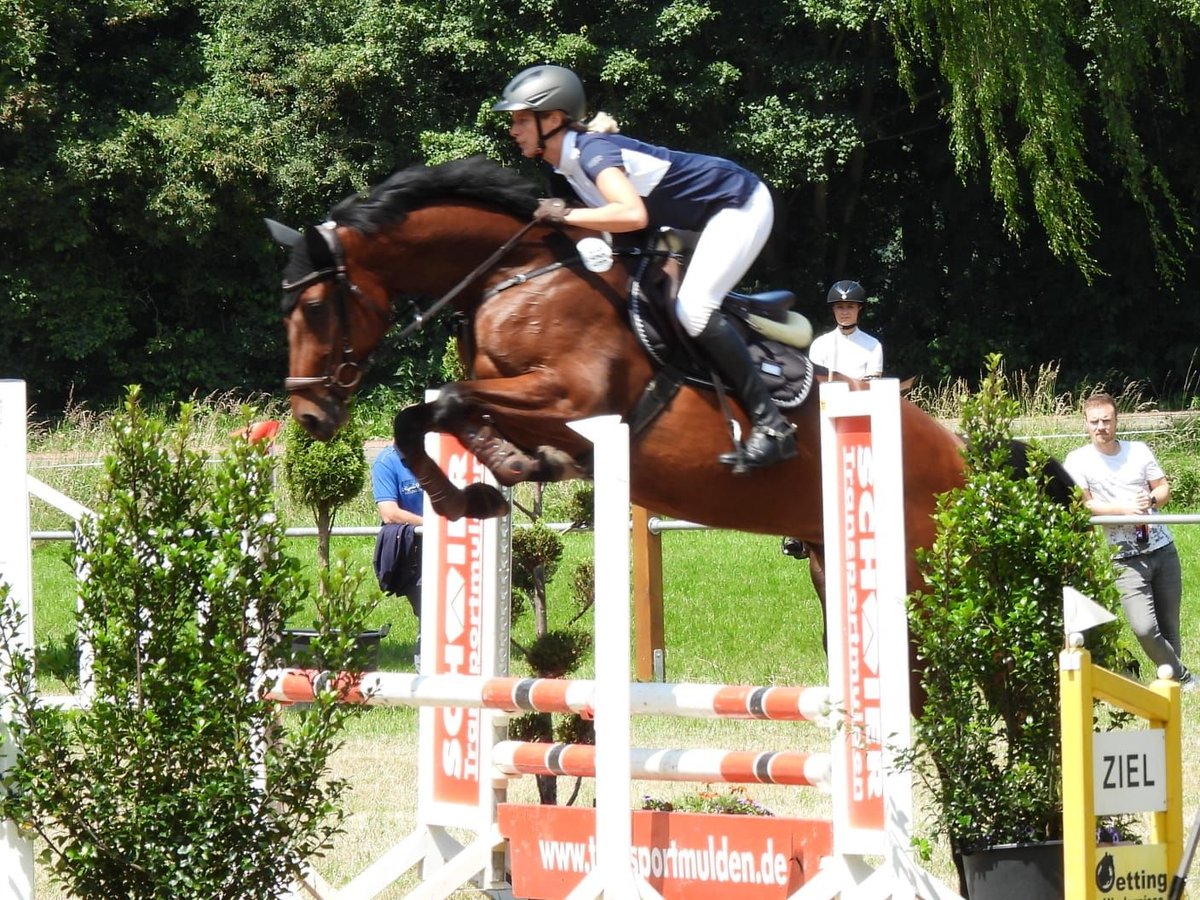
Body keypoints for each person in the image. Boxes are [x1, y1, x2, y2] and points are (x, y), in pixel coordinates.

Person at [493, 64, 795, 473]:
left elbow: (631, 215)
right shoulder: (561, 169)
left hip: (735, 204)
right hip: (683, 223)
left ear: (553, 119)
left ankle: (772, 427)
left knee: (694, 308)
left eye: (521, 120)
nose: (513, 129)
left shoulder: (594, 153)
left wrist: (564, 215)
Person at [1063, 393, 1195, 691]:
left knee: (1169, 626)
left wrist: (1148, 499)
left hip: (1162, 548)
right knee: (1145, 628)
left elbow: (1163, 489)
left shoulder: (1139, 451)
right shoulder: (1078, 460)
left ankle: (1173, 686)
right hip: (1124, 557)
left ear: (1116, 421)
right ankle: (1185, 677)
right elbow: (1084, 505)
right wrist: (1123, 509)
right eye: (1095, 422)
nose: (1101, 427)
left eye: (1106, 421)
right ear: (1085, 423)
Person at [371, 443, 425, 618]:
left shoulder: (438, 454)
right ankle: (424, 643)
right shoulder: (386, 462)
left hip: (450, 542)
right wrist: (433, 525)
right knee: (430, 613)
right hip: (414, 548)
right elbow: (389, 514)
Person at [807, 280, 882, 380]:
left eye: (850, 307)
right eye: (839, 307)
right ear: (833, 309)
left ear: (859, 308)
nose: (845, 312)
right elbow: (816, 384)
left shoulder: (873, 345)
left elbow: (872, 386)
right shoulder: (819, 344)